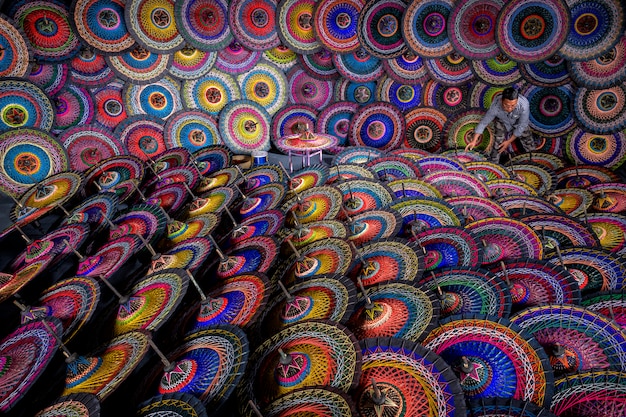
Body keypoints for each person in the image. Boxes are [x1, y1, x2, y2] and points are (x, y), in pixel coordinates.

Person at [465, 87, 539, 163]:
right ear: (501, 101)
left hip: (519, 123)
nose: (510, 108)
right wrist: (474, 140)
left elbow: (522, 125)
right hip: (502, 121)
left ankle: (534, 162)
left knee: (528, 139)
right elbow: (483, 123)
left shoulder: (524, 104)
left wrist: (508, 141)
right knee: (497, 143)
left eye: (513, 105)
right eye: (506, 105)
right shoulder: (495, 107)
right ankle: (494, 165)